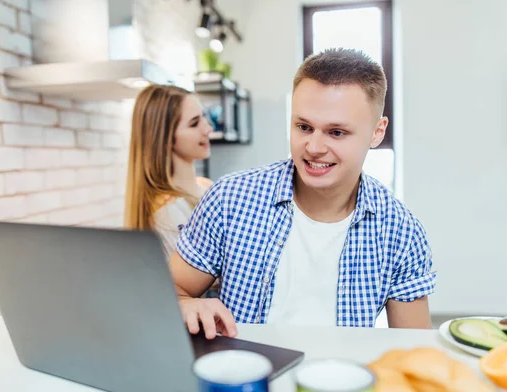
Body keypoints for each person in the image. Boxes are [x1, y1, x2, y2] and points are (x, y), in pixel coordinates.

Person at [169, 48, 437, 339]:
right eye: (304, 127)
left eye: (336, 132)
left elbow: (414, 347)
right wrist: (185, 305)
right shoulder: (229, 199)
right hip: (246, 379)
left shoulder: (400, 231)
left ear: (377, 131)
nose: (314, 147)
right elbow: (172, 291)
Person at [124, 84, 214, 259]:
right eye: (194, 123)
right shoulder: (168, 212)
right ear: (164, 138)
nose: (208, 129)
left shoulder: (205, 186)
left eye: (203, 117)